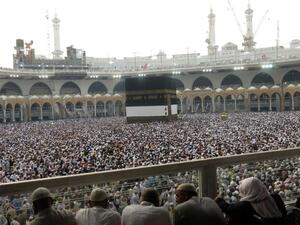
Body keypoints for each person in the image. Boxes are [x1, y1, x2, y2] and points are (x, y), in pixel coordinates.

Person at [215, 177, 284, 225]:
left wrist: (219, 198)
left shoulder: (243, 206)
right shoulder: (275, 197)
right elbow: (284, 213)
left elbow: (226, 207)